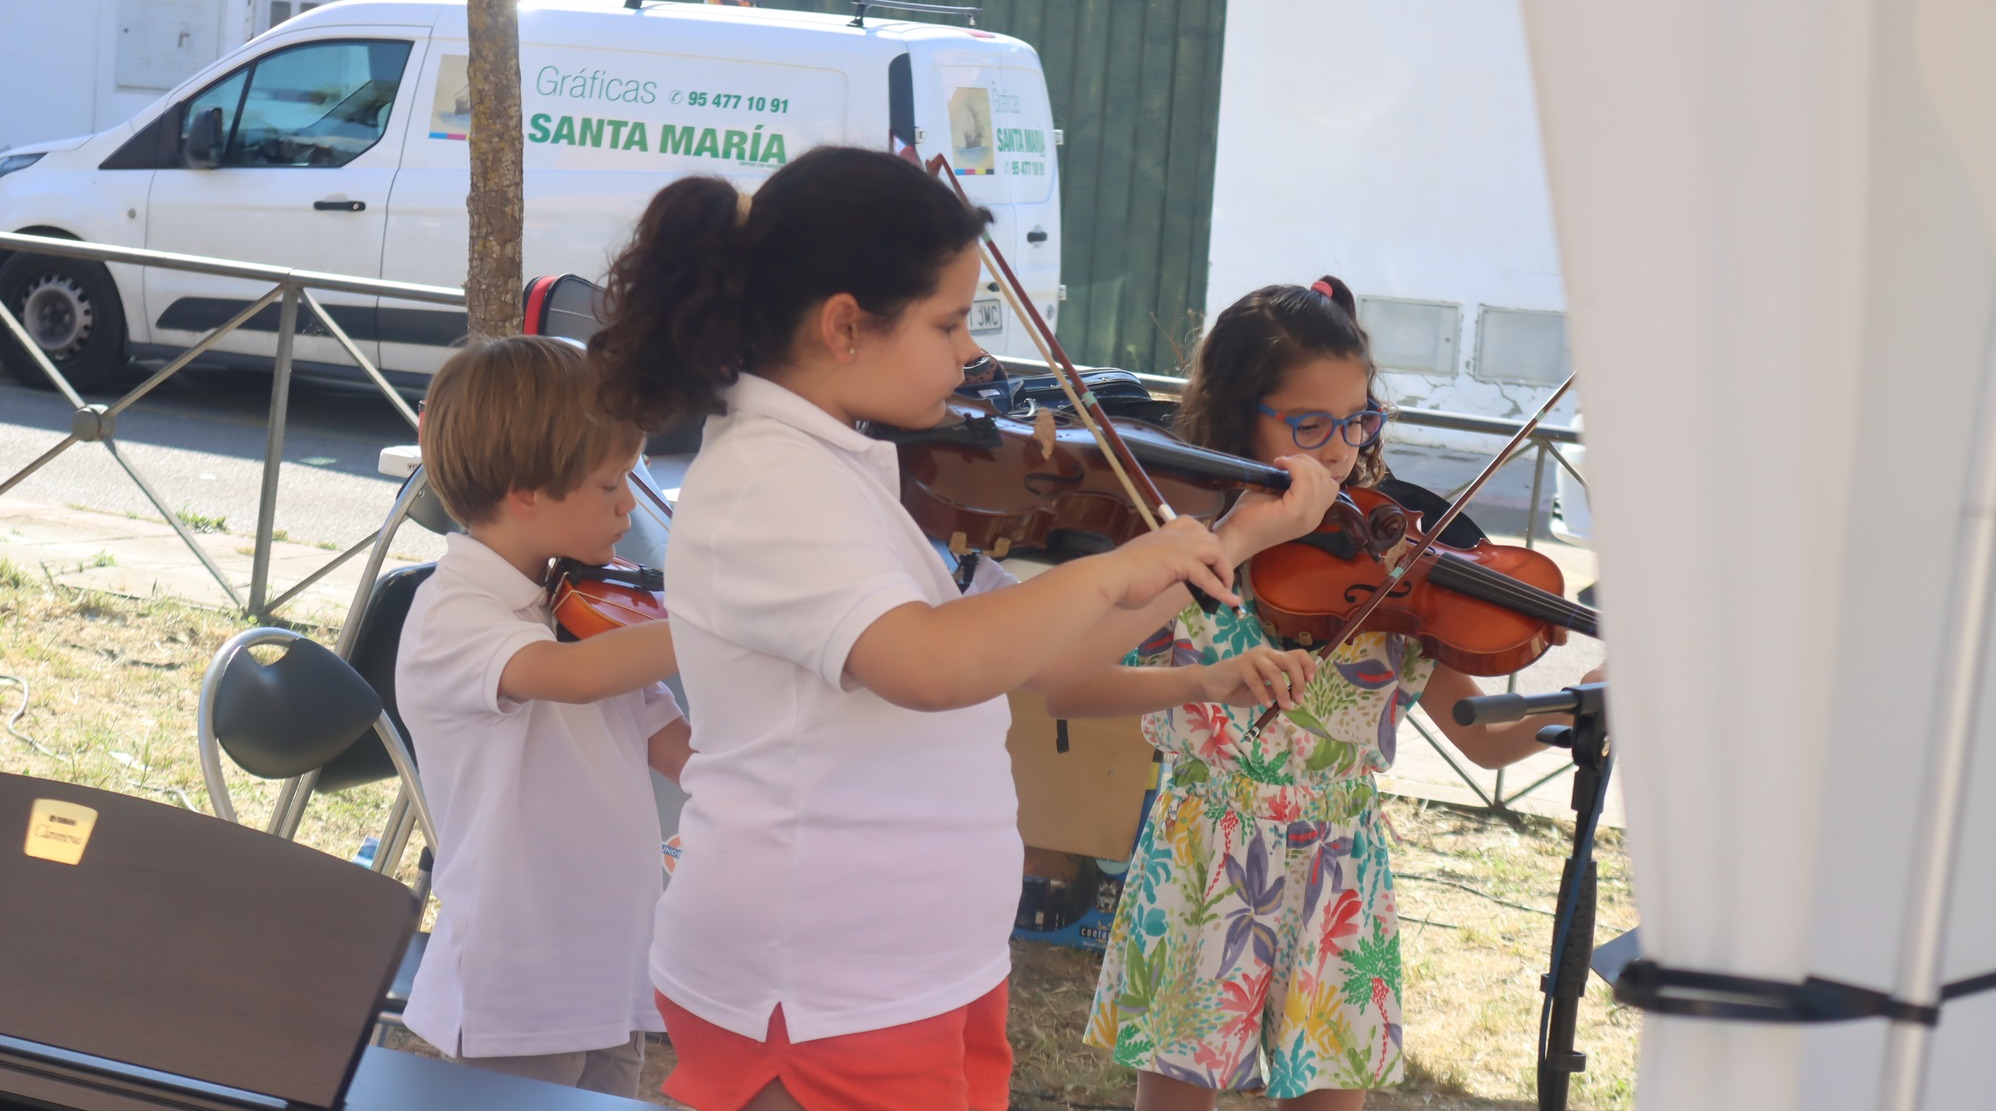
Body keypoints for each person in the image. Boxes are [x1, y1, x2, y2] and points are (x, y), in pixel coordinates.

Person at [586, 146, 1301, 1111]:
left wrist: (1233, 539)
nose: (970, 353)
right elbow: (928, 664)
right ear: (846, 325)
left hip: (916, 974)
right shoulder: (771, 481)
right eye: (949, 322)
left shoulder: (844, 465)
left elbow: (1047, 656)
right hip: (820, 990)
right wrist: (1116, 565)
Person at [1051, 277, 1604, 1109]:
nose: (1341, 449)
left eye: (1358, 420)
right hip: (1202, 853)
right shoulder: (1187, 544)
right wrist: (1208, 666)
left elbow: (1483, 739)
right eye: (1310, 425)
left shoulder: (1390, 564)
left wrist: (1583, 702)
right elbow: (1067, 686)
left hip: (1341, 864)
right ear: (1238, 413)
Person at [394, 335, 695, 1097]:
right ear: (526, 492)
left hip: (610, 963)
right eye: (610, 484)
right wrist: (722, 621)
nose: (630, 505)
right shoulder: (454, 614)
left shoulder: (581, 602)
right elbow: (575, 678)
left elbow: (668, 738)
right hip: (521, 981)